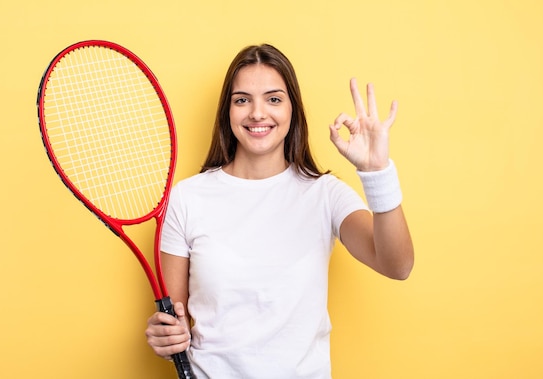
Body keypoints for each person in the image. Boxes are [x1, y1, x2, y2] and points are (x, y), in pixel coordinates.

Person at [145, 44, 414, 378]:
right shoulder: (186, 199)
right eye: (242, 100)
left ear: (292, 110)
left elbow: (397, 265)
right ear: (227, 111)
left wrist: (377, 173)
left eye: (273, 99)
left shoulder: (325, 195)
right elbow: (177, 325)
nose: (258, 113)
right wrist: (166, 337)